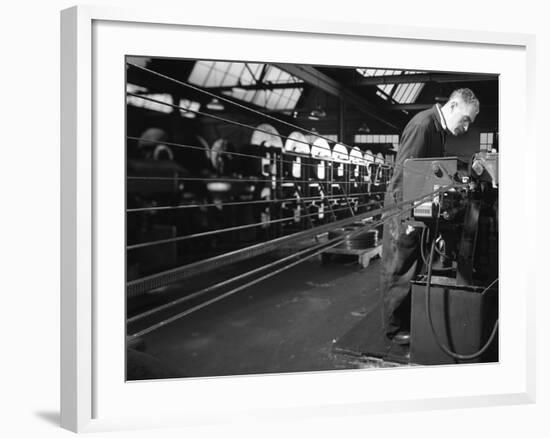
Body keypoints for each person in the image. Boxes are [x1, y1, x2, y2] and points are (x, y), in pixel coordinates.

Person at [380, 88, 480, 345]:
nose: (467, 128)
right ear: (454, 105)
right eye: (466, 119)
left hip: (418, 209)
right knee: (399, 268)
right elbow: (405, 175)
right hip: (403, 212)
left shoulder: (439, 130)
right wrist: (407, 218)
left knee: (414, 266)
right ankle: (393, 329)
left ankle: (406, 318)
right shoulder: (423, 125)